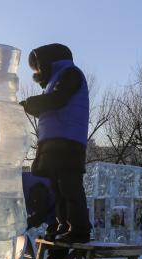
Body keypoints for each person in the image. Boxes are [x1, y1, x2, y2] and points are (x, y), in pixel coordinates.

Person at [19, 43, 91, 244]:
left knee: (70, 185)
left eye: (39, 68)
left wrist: (32, 103)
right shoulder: (55, 81)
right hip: (54, 143)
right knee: (57, 189)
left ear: (48, 62)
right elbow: (48, 109)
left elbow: (58, 100)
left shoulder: (71, 74)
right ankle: (63, 224)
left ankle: (80, 228)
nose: (38, 73)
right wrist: (27, 107)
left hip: (68, 141)